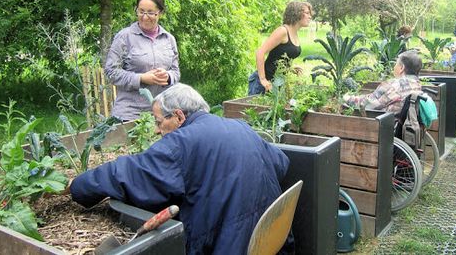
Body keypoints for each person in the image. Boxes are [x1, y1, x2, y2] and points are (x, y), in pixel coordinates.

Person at [69, 83, 292, 254]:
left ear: (178, 116)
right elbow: (281, 164)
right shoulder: (240, 126)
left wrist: (77, 186)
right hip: (272, 241)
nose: (156, 131)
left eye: (158, 122)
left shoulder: (181, 143)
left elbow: (128, 173)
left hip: (225, 247)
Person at [104, 0, 180, 121]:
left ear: (160, 13)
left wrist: (168, 76)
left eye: (151, 13)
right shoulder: (124, 37)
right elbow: (111, 72)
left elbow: (176, 71)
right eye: (141, 11)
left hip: (162, 113)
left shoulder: (168, 39)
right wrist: (141, 78)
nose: (145, 17)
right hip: (129, 114)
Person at [248, 1, 313, 95]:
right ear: (296, 13)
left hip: (277, 84)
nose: (310, 16)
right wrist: (263, 79)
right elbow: (260, 52)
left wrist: (290, 69)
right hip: (264, 85)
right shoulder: (283, 31)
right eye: (307, 13)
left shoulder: (294, 33)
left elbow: (279, 55)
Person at [344, 51, 423, 115]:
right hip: (402, 127)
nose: (394, 67)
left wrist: (348, 98)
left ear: (402, 68)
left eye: (396, 64)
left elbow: (368, 104)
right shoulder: (417, 85)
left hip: (386, 128)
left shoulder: (394, 85)